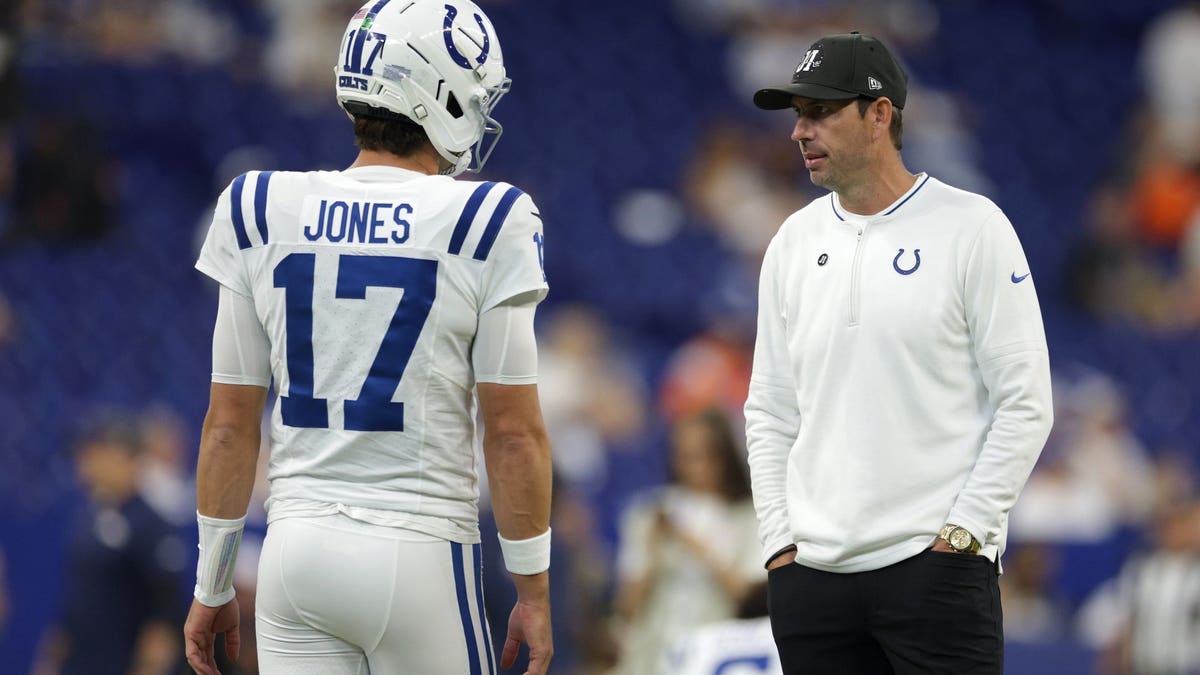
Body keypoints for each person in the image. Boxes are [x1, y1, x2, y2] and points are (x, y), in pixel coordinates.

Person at [181, 1, 554, 673]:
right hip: (417, 549)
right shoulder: (489, 216)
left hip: (294, 555)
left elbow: (228, 426)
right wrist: (533, 584)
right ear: (438, 91)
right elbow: (513, 432)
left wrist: (212, 581)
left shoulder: (258, 204)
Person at [743, 31, 1054, 674]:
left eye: (820, 111)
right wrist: (779, 544)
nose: (799, 132)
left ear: (879, 114)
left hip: (935, 573)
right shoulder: (792, 242)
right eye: (797, 115)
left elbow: (1026, 403)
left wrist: (965, 535)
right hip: (814, 582)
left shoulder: (973, 227)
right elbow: (770, 411)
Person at [612, 410, 764, 674]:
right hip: (655, 651)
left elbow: (745, 595)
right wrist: (651, 550)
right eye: (682, 455)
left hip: (716, 649)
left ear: (722, 458)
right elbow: (628, 607)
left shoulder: (747, 517)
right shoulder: (652, 512)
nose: (689, 466)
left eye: (700, 455)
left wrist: (694, 544)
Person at [33, 416, 187, 675]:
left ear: (131, 460)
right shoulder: (88, 517)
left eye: (104, 454)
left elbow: (164, 614)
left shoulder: (151, 525)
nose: (92, 464)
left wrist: (148, 668)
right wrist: (51, 661)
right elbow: (77, 603)